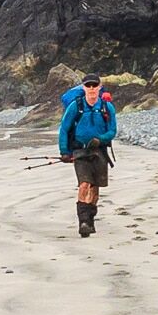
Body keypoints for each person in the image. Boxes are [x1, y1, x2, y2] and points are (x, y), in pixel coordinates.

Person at [58, 72, 119, 237]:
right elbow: (64, 128)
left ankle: (90, 218)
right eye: (88, 85)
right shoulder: (75, 106)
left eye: (94, 85)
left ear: (99, 87)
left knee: (95, 189)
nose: (91, 88)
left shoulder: (107, 107)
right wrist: (64, 151)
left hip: (99, 152)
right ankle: (83, 221)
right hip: (80, 151)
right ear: (83, 87)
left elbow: (112, 130)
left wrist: (101, 140)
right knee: (84, 184)